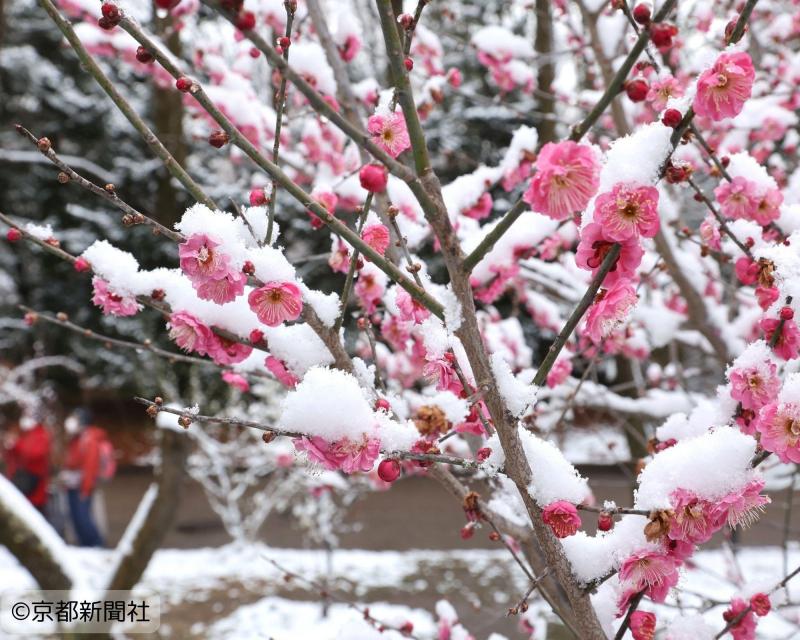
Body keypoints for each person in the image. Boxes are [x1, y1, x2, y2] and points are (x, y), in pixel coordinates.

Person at [62, 408, 110, 547]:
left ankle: (95, 543)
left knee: (83, 517)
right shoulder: (76, 438)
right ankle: (85, 545)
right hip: (73, 484)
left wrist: (86, 488)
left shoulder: (89, 439)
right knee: (75, 517)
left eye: (74, 418)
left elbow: (90, 466)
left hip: (82, 486)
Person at [3, 409, 51, 514]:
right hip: (23, 482)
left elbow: (34, 454)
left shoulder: (41, 434)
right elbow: (16, 457)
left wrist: (16, 445)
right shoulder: (25, 434)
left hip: (34, 486)